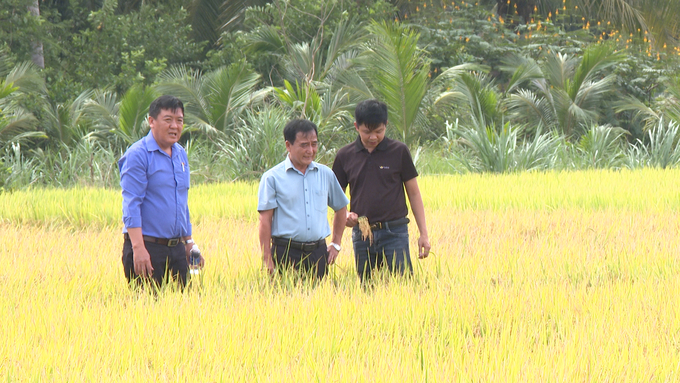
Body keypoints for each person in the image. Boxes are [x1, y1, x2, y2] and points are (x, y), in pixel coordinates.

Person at [332, 99, 431, 282]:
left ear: (386, 125)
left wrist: (423, 233)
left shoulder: (398, 151)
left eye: (379, 131)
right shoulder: (345, 156)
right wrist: (345, 214)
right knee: (367, 288)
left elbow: (414, 193)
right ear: (356, 127)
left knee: (403, 287)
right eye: (367, 132)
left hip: (395, 231)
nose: (373, 137)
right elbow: (335, 196)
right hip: (362, 232)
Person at [119, 95, 203, 288]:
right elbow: (131, 205)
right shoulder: (138, 155)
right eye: (168, 120)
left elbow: (181, 202)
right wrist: (138, 249)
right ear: (151, 121)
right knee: (148, 312)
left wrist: (190, 243)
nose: (175, 126)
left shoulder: (180, 154)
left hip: (178, 250)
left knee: (183, 310)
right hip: (148, 248)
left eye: (179, 120)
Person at [258, 119, 349, 280]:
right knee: (285, 301)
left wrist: (336, 243)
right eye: (304, 145)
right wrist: (267, 259)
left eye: (314, 144)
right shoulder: (272, 177)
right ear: (288, 145)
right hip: (285, 253)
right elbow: (265, 220)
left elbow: (341, 207)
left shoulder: (326, 174)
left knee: (318, 302)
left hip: (318, 253)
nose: (310, 150)